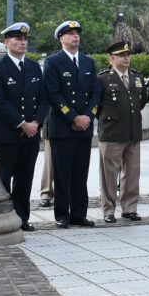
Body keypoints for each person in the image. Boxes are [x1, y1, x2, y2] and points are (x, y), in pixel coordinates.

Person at [43, 20, 101, 228]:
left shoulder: (88, 62)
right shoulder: (53, 61)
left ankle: (79, 213)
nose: (75, 36)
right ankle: (62, 214)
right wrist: (73, 117)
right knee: (62, 173)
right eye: (70, 33)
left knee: (80, 173)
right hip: (63, 128)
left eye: (77, 33)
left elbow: (95, 93)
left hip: (84, 128)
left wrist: (87, 117)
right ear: (61, 38)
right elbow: (53, 93)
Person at [0, 22, 46, 231]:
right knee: (4, 178)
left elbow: (43, 99)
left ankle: (22, 217)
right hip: (8, 134)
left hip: (30, 134)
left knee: (24, 179)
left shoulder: (33, 67)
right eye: (17, 39)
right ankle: (4, 217)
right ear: (7, 43)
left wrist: (35, 123)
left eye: (25, 39)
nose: (22, 43)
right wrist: (22, 123)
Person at [96, 41, 148, 223]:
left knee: (132, 172)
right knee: (109, 174)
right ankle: (108, 210)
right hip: (111, 134)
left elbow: (141, 101)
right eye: (122, 55)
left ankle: (129, 208)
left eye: (128, 55)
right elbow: (96, 105)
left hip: (133, 131)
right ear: (112, 59)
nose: (127, 58)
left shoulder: (137, 78)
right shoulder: (102, 79)